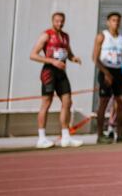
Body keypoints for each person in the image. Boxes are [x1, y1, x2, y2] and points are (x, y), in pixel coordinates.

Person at [30, 11, 83, 149]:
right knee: (46, 103)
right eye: (57, 21)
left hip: (62, 73)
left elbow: (69, 54)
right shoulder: (46, 34)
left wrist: (74, 58)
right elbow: (33, 55)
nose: (59, 23)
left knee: (67, 102)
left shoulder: (65, 37)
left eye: (62, 21)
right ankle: (41, 138)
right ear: (52, 21)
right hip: (49, 72)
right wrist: (52, 61)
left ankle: (66, 137)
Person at [92, 11, 122, 144]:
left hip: (118, 71)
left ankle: (120, 134)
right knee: (103, 102)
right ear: (108, 22)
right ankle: (99, 135)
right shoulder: (102, 36)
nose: (116, 22)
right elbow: (95, 59)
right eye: (114, 20)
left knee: (121, 102)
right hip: (105, 71)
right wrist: (106, 73)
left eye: (118, 20)